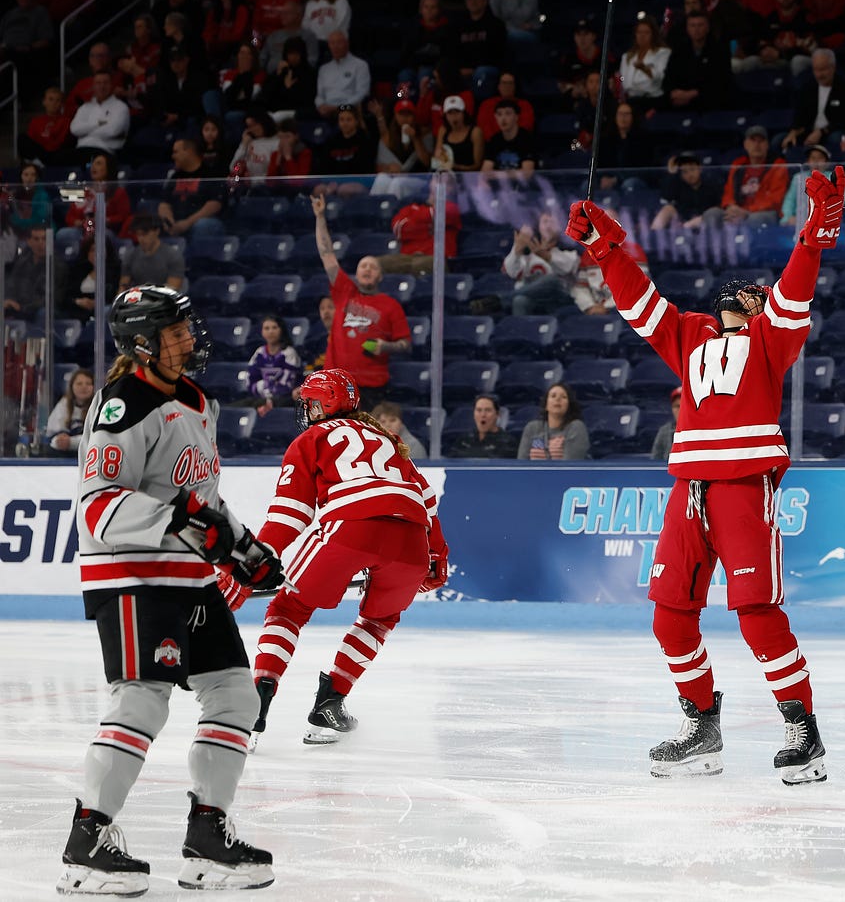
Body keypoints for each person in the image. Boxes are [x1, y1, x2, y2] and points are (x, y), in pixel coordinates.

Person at [562, 165, 845, 785]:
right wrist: (604, 245)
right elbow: (639, 302)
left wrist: (812, 236)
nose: (738, 295)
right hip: (689, 489)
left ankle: (805, 733)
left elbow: (795, 292)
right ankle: (702, 726)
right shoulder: (688, 334)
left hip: (745, 487)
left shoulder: (773, 337)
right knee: (668, 615)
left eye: (749, 293)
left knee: (755, 611)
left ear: (757, 304)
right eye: (732, 292)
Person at [59, 285, 279, 896]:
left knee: (236, 696)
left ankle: (206, 837)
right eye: (174, 332)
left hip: (190, 580)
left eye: (186, 328)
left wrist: (243, 546)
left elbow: (201, 501)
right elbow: (98, 507)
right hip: (134, 577)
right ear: (141, 342)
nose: (187, 339)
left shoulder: (196, 401)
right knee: (142, 701)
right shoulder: (121, 404)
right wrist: (186, 525)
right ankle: (86, 845)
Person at [240, 369, 448, 749]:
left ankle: (254, 712)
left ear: (324, 404)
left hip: (351, 526)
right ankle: (330, 704)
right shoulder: (388, 439)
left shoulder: (311, 438)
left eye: (310, 402)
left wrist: (251, 564)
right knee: (379, 619)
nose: (306, 410)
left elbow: (289, 516)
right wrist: (436, 553)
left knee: (288, 608)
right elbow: (426, 498)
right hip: (412, 539)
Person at [311, 195, 410, 412]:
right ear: (356, 272)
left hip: (371, 386)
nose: (367, 269)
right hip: (336, 383)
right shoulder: (345, 291)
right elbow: (326, 254)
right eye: (363, 265)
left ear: (380, 276)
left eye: (372, 267)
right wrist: (320, 217)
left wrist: (385, 346)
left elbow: (405, 344)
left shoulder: (390, 305)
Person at [503, 210, 579, 315]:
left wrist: (545, 255)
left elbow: (566, 268)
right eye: (545, 222)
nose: (548, 226)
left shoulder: (569, 253)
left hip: (560, 299)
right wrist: (516, 251)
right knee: (520, 300)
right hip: (536, 298)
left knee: (553, 280)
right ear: (538, 227)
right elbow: (512, 273)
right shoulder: (529, 255)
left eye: (552, 222)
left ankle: (501, 299)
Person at [242, 314, 303, 413]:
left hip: (285, 400)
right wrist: (264, 389)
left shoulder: (288, 353)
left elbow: (287, 385)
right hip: (260, 399)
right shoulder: (259, 353)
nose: (270, 331)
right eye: (266, 328)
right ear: (262, 332)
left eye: (274, 327)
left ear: (281, 330)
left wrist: (267, 391)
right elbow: (250, 381)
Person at [516, 382, 590, 460]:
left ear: (569, 405)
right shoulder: (532, 428)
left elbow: (569, 467)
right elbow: (522, 463)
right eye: (553, 396)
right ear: (546, 405)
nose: (558, 399)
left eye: (563, 397)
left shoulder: (576, 427)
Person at [653, 152, 721, 230]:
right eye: (684, 172)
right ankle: (653, 234)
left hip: (705, 225)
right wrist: (671, 174)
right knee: (668, 209)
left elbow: (717, 210)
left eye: (692, 169)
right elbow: (666, 197)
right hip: (681, 223)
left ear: (700, 169)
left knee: (713, 212)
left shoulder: (711, 186)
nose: (689, 174)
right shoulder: (677, 186)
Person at [117, 216, 186, 292]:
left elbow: (172, 291)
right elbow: (123, 286)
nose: (141, 239)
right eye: (138, 235)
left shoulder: (173, 256)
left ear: (157, 231)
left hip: (164, 300)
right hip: (137, 300)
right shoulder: (130, 255)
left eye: (145, 234)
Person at [43, 367, 94, 456]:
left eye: (88, 383)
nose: (84, 387)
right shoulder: (64, 404)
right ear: (71, 386)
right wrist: (61, 440)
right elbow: (53, 438)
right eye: (79, 384)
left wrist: (71, 442)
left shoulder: (98, 406)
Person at [450, 393, 516, 458]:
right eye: (479, 410)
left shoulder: (508, 441)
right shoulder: (464, 439)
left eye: (488, 410)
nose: (483, 415)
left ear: (497, 414)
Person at [650, 387, 682, 461]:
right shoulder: (664, 431)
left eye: (684, 405)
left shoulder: (702, 432)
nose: (680, 410)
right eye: (677, 406)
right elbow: (656, 459)